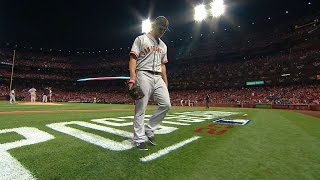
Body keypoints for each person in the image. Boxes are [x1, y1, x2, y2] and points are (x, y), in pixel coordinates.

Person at [128, 16, 171, 150]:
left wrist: (165, 82)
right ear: (153, 25)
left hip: (158, 77)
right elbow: (133, 59)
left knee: (166, 104)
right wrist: (133, 78)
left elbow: (163, 65)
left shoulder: (163, 45)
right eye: (161, 28)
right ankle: (138, 138)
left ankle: (149, 128)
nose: (163, 31)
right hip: (143, 74)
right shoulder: (141, 39)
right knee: (141, 108)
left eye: (165, 30)